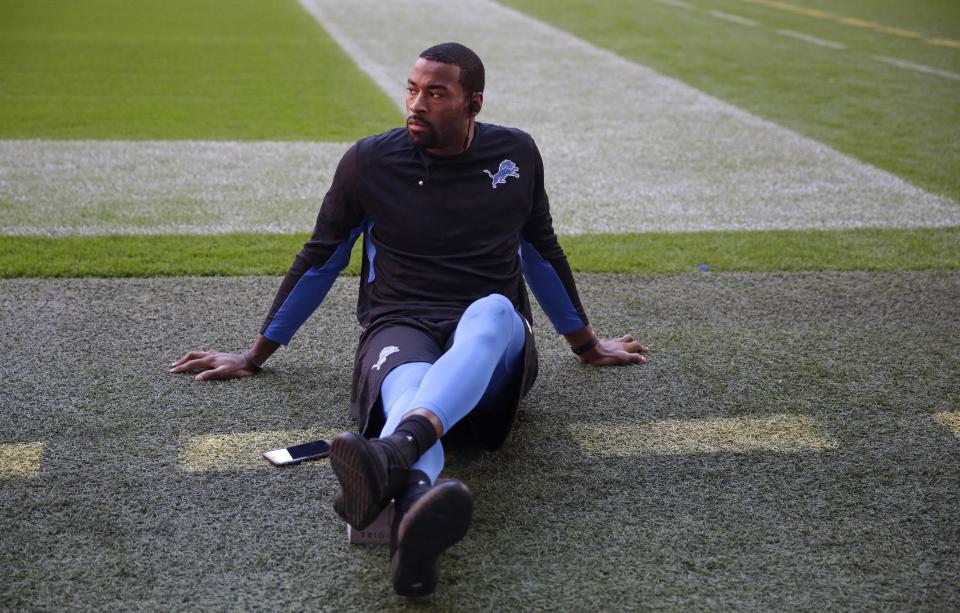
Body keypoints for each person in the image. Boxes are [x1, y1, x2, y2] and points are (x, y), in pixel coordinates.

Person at [170, 42, 648, 597]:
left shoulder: (515, 154)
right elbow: (321, 256)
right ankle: (416, 503)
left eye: (435, 93)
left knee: (493, 309)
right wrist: (254, 355)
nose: (415, 104)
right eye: (412, 89)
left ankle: (397, 447)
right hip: (399, 324)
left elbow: (539, 249)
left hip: (491, 345)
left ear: (473, 103)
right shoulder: (370, 162)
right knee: (410, 379)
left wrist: (586, 344)